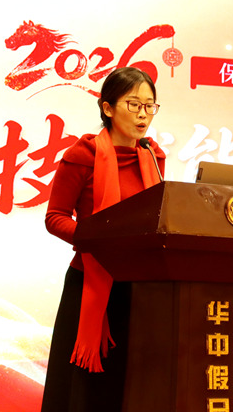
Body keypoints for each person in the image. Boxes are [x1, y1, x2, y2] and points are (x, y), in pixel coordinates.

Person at [40, 67, 166, 411]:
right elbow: (55, 217)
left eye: (150, 106)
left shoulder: (154, 157)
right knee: (82, 389)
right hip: (90, 282)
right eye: (134, 105)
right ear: (107, 108)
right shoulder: (83, 155)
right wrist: (96, 239)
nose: (143, 115)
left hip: (140, 288)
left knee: (129, 384)